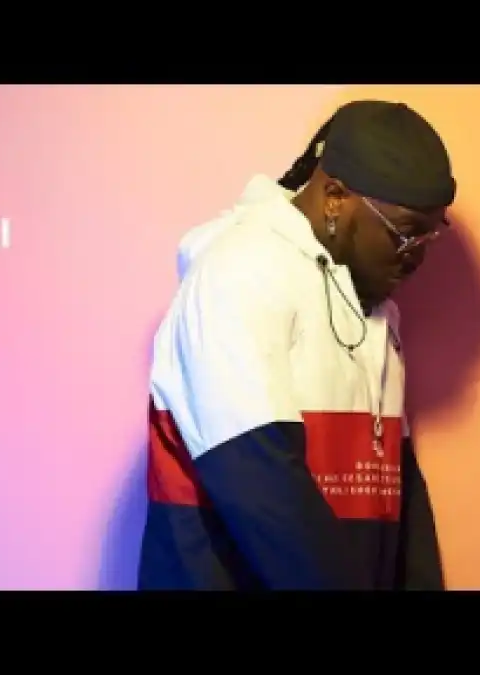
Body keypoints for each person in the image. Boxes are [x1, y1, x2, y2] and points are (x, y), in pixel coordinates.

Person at [138, 99, 455, 590]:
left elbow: (398, 492)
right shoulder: (239, 273)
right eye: (406, 234)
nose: (416, 257)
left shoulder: (372, 307)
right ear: (335, 198)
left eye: (431, 237)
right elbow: (258, 483)